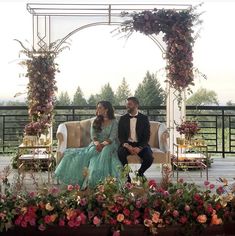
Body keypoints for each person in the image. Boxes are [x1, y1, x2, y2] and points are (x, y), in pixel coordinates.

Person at [55, 101, 121, 188]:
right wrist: (97, 144)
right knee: (90, 153)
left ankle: (103, 181)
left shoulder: (113, 122)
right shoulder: (96, 121)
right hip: (96, 143)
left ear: (106, 109)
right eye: (97, 107)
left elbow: (112, 137)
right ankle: (88, 180)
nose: (97, 109)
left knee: (105, 151)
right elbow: (93, 135)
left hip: (109, 144)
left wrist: (102, 145)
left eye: (100, 107)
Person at [118, 97, 153, 182]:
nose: (127, 106)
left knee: (149, 158)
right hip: (127, 143)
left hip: (140, 144)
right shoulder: (123, 119)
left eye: (129, 104)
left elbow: (147, 137)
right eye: (127, 104)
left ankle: (140, 173)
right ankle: (127, 176)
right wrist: (127, 146)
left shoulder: (144, 118)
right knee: (120, 153)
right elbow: (121, 136)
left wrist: (140, 148)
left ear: (136, 105)